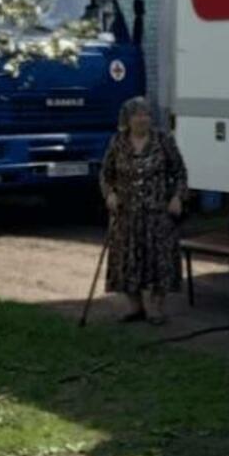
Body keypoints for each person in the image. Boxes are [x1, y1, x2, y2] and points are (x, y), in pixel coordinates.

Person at [99, 97, 188, 325]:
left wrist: (177, 197)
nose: (142, 119)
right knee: (128, 260)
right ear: (127, 119)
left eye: (146, 114)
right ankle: (135, 306)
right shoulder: (118, 142)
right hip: (127, 214)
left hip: (158, 213)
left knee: (159, 260)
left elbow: (180, 172)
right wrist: (110, 194)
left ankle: (156, 307)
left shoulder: (163, 140)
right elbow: (106, 174)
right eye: (137, 115)